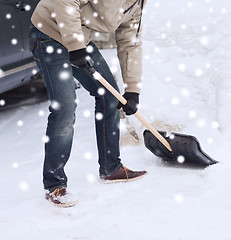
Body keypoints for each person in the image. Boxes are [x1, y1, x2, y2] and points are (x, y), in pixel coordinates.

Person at [29, 0, 147, 207]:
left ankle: (111, 168)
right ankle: (54, 184)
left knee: (110, 97)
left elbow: (130, 42)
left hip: (79, 39)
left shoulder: (137, 5)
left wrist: (132, 89)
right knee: (65, 108)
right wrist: (75, 46)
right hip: (49, 33)